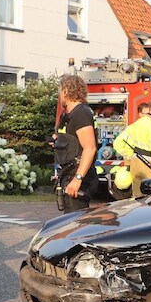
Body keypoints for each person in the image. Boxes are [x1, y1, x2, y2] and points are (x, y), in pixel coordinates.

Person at [54, 74, 98, 212]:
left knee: (76, 221)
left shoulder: (81, 113)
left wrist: (78, 178)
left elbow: (90, 148)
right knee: (70, 220)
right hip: (70, 172)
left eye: (60, 91)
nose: (60, 96)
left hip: (78, 173)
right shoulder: (72, 114)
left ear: (66, 91)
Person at [113, 98, 151, 197]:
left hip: (134, 163)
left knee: (137, 196)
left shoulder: (137, 124)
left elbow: (117, 142)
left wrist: (128, 158)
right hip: (148, 165)